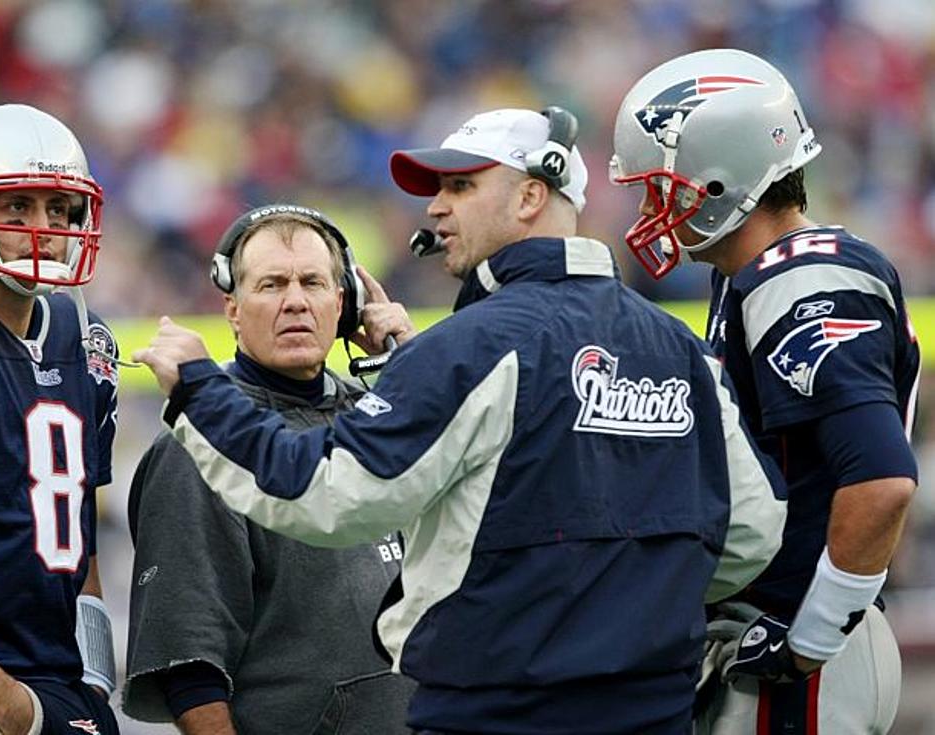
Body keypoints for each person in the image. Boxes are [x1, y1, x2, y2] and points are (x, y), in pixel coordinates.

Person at [132, 106, 787, 734]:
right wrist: (633, 607)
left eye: (461, 186)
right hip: (654, 708)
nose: (437, 207)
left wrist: (198, 388)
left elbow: (327, 492)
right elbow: (754, 531)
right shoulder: (679, 346)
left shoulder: (469, 346)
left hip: (497, 711)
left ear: (530, 197)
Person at [610, 48, 920, 734]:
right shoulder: (750, 275)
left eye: (659, 185)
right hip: (778, 630)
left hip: (801, 643)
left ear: (717, 180)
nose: (648, 206)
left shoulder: (803, 280)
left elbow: (883, 481)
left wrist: (807, 640)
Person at [121, 203, 417, 734]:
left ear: (344, 303)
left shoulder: (386, 414)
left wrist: (413, 367)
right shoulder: (198, 443)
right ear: (232, 310)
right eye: (272, 285)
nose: (296, 301)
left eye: (313, 282)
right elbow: (191, 669)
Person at [0, 104, 119, 734]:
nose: (44, 228)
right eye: (17, 206)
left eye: (59, 209)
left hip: (58, 687)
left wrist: (94, 683)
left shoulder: (81, 336)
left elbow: (79, 541)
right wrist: (10, 708)